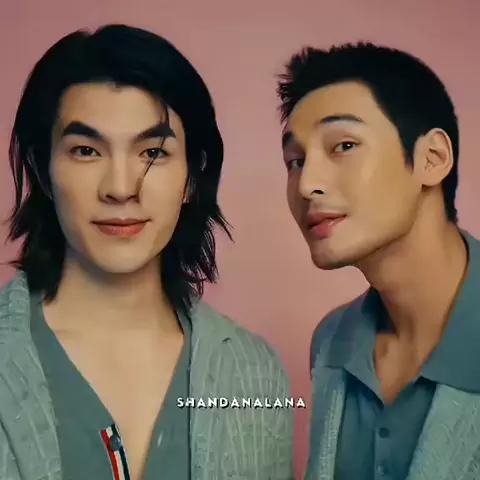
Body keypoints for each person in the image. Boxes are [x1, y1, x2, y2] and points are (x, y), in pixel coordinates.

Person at [0, 24, 293, 480]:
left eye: (153, 152)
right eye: (86, 150)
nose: (120, 188)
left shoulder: (255, 374)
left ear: (193, 176)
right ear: (42, 170)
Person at [277, 42, 480, 479]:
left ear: (432, 159)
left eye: (343, 145)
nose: (307, 184)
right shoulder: (331, 343)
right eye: (295, 161)